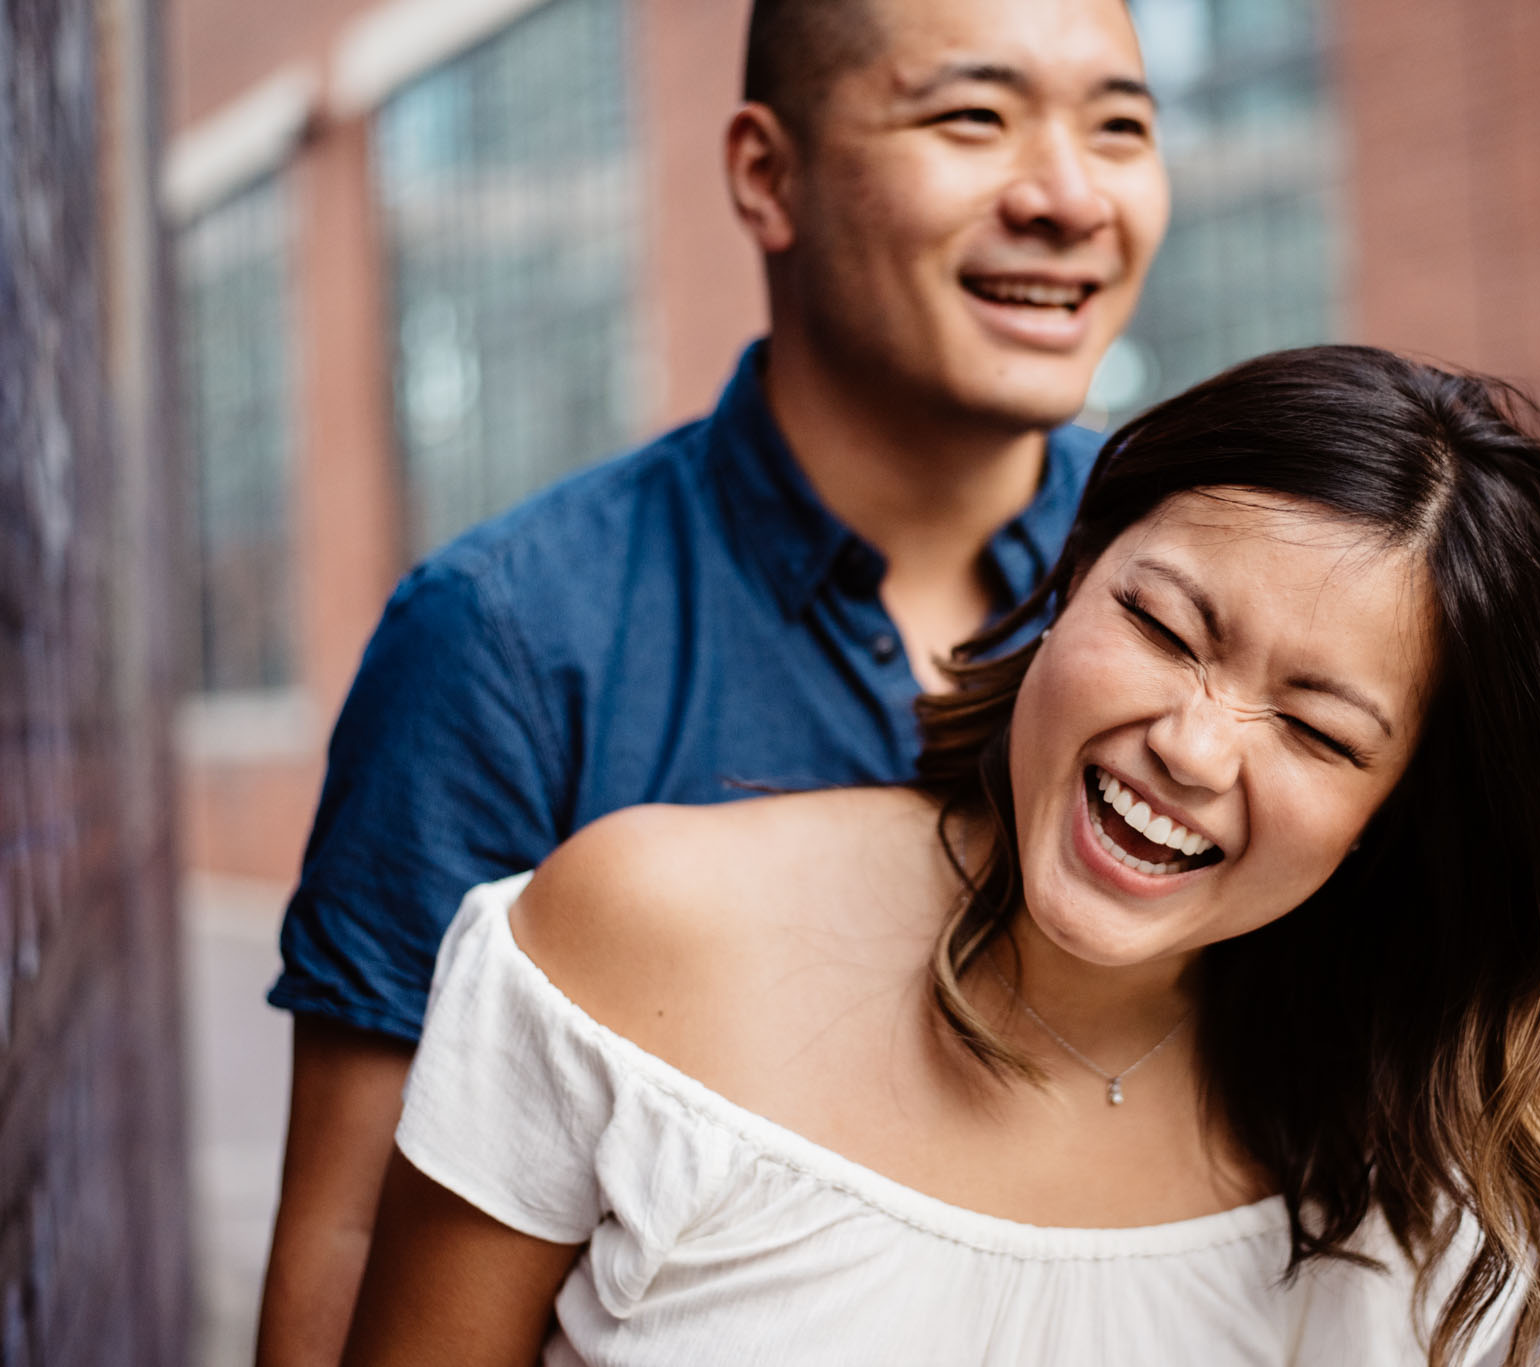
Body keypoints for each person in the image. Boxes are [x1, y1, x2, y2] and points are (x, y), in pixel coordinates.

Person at [339, 346, 1540, 1367]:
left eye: (1315, 727)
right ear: (1069, 581)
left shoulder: (1434, 1125)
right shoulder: (643, 930)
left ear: (1398, 812)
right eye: (1166, 629)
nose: (1196, 743)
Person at [256, 0, 1170, 1359]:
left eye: (1121, 126)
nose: (1069, 195)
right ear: (765, 172)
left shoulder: (1191, 583)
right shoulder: (506, 637)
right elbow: (350, 1240)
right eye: (972, 117)